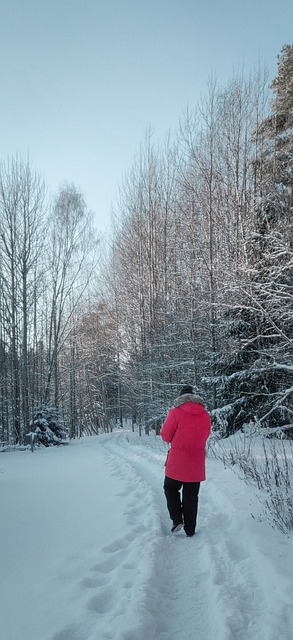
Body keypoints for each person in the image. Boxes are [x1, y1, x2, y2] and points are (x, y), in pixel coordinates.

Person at [160, 385, 211, 537]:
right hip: (196, 461)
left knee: (170, 488)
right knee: (191, 495)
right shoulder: (205, 414)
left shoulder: (175, 412)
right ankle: (190, 530)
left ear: (180, 397)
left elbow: (165, 435)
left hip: (177, 459)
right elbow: (205, 435)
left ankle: (177, 519)